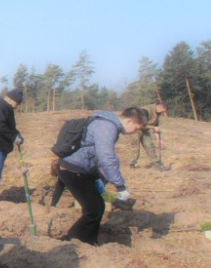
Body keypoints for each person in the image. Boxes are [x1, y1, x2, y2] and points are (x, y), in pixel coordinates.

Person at [57, 107, 147, 245]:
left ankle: (89, 241)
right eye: (136, 128)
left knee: (97, 207)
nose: (134, 132)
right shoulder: (107, 127)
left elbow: (100, 157)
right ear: (129, 121)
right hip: (73, 169)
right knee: (93, 210)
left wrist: (103, 179)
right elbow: (106, 157)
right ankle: (72, 243)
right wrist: (120, 185)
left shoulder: (107, 123)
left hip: (81, 168)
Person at [131, 101, 168, 170]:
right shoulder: (145, 111)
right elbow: (141, 124)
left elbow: (156, 127)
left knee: (150, 146)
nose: (162, 113)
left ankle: (156, 164)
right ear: (160, 107)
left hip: (145, 130)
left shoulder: (157, 113)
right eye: (163, 111)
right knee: (135, 148)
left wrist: (159, 139)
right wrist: (153, 127)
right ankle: (132, 164)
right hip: (135, 130)